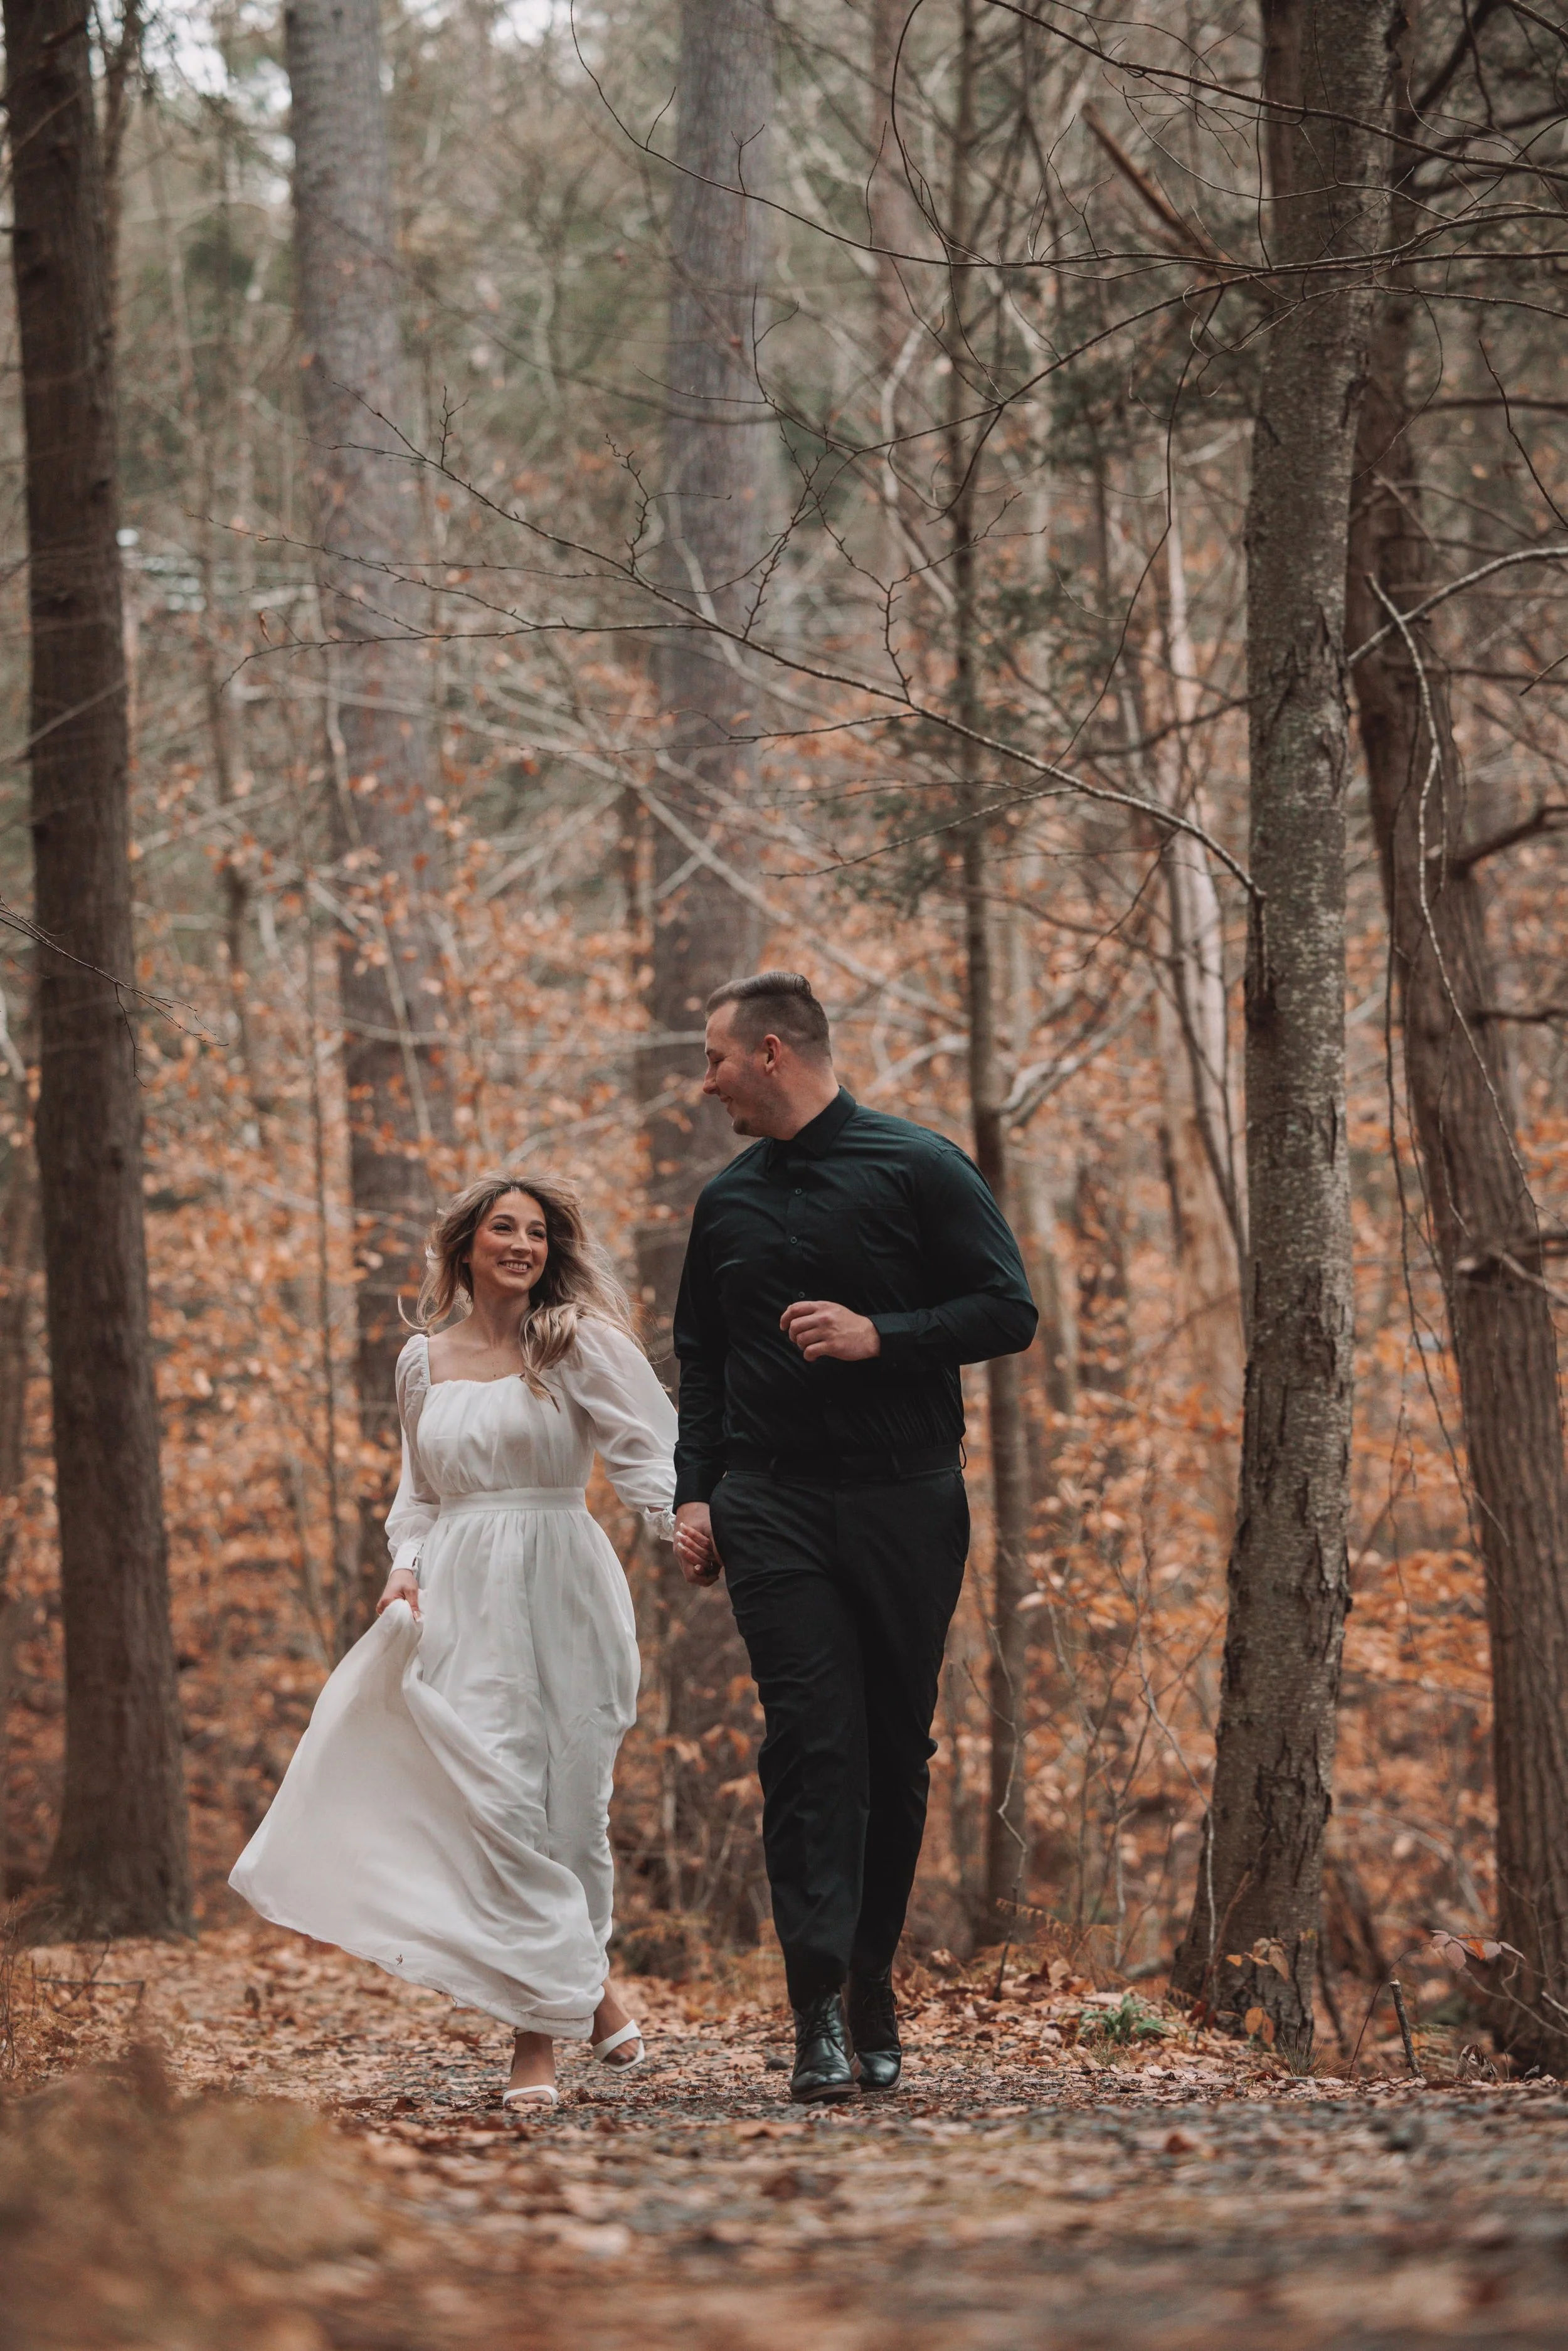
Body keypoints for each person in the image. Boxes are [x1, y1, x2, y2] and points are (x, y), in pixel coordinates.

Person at [231, 1172, 679, 2113]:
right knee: (498, 1798)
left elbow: (645, 1451)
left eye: (538, 1234)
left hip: (562, 1579)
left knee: (570, 1803)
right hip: (463, 1590)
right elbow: (421, 1493)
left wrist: (679, 1529)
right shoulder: (421, 1362)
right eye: (503, 1229)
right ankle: (546, 2030)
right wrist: (405, 1564)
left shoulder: (577, 1343)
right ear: (464, 1246)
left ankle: (576, 1997)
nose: (522, 1245)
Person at [669, 972, 1037, 2102]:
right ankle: (816, 2009)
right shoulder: (725, 1203)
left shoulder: (918, 1167)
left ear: (773, 1053)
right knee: (809, 1746)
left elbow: (1008, 1309)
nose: (708, 1079)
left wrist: (886, 1335)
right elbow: (703, 1361)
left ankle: (873, 1982)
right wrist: (696, 1492)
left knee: (892, 1749)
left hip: (905, 1498)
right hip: (770, 1503)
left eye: (718, 1059)